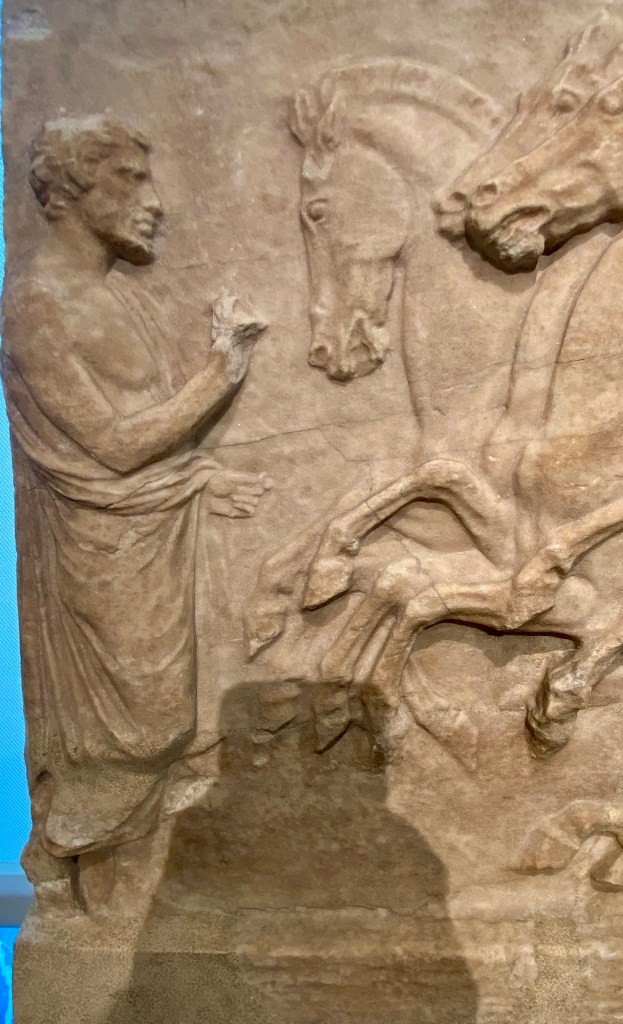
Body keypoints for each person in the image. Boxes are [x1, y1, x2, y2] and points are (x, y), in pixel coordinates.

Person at [1, 115, 268, 910]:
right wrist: (223, 368)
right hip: (103, 553)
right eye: (130, 179)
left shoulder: (113, 295)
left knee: (180, 718)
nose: (153, 201)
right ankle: (94, 896)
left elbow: (146, 439)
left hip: (153, 535)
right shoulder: (36, 305)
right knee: (139, 726)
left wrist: (197, 477)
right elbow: (113, 447)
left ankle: (142, 903)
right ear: (73, 188)